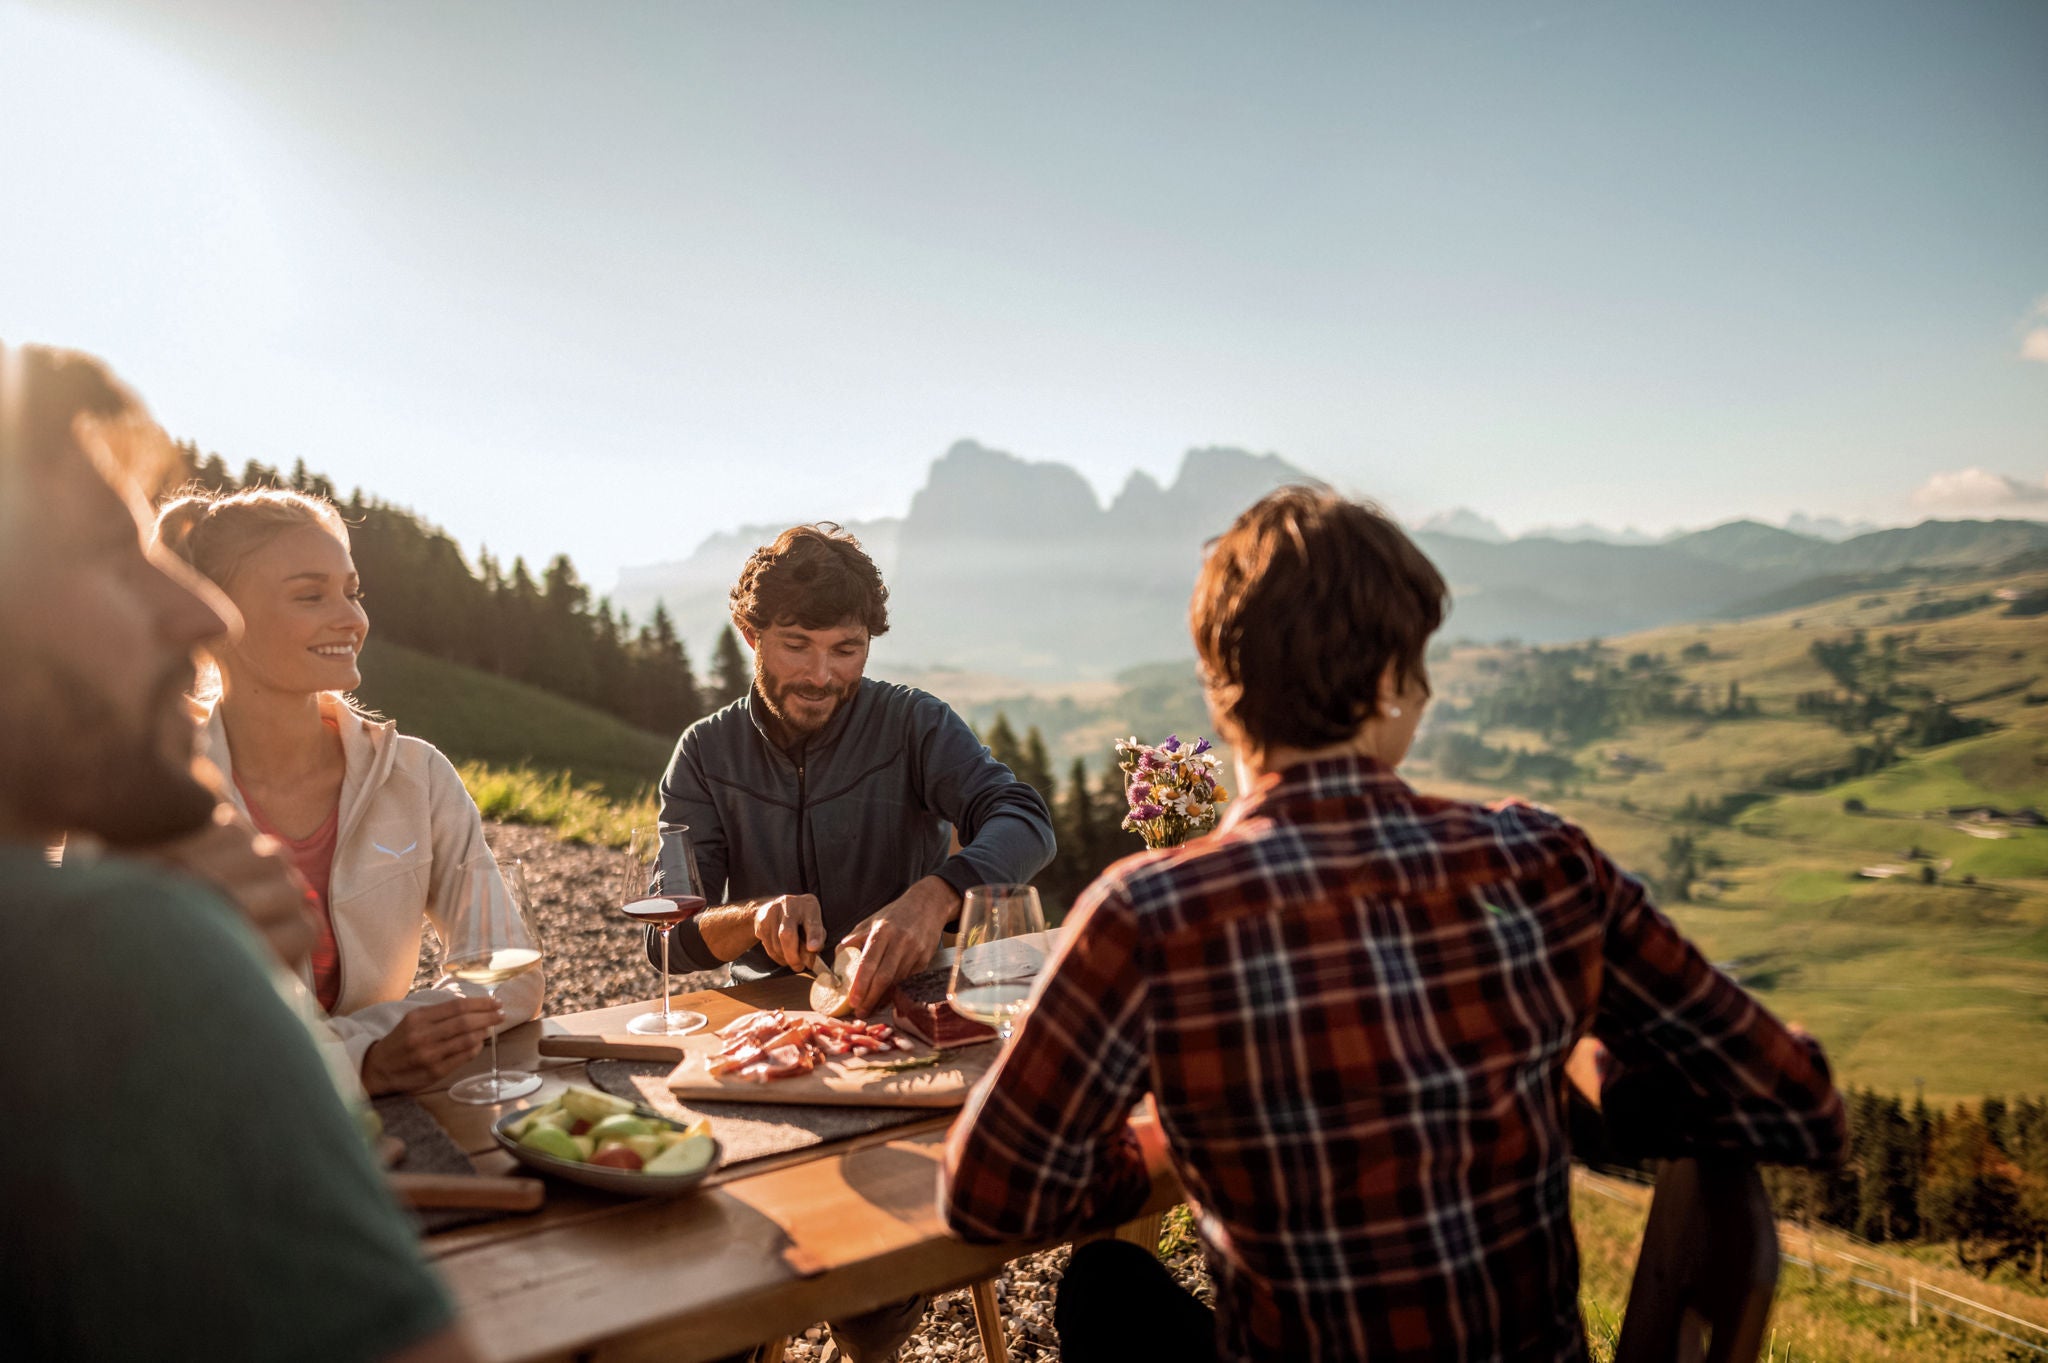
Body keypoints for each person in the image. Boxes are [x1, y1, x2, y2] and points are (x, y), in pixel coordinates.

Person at [939, 487, 1847, 1363]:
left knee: (1105, 1283)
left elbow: (987, 1193)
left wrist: (1171, 1142)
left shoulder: (1149, 913)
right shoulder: (1543, 862)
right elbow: (1801, 1103)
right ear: (1392, 686)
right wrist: (1593, 1073)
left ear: (1221, 695)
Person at [0, 341, 476, 1361]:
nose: (195, 612)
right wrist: (212, 973)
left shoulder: (112, 911)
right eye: (104, 554)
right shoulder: (125, 935)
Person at [652, 523, 1055, 1363]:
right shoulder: (705, 752)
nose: (823, 674)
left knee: (873, 1285)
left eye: (847, 648)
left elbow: (1025, 818)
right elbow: (668, 937)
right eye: (796, 645)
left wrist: (938, 891)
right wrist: (754, 918)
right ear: (750, 633)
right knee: (712, 1274)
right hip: (767, 1046)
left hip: (902, 1038)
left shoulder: (914, 725)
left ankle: (871, 1332)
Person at [151, 486, 541, 1094]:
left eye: (352, 592)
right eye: (311, 595)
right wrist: (365, 1062)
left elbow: (512, 973)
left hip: (396, 1118)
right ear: (216, 617)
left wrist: (370, 1048)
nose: (352, 619)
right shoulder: (148, 799)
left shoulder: (418, 776)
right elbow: (145, 1040)